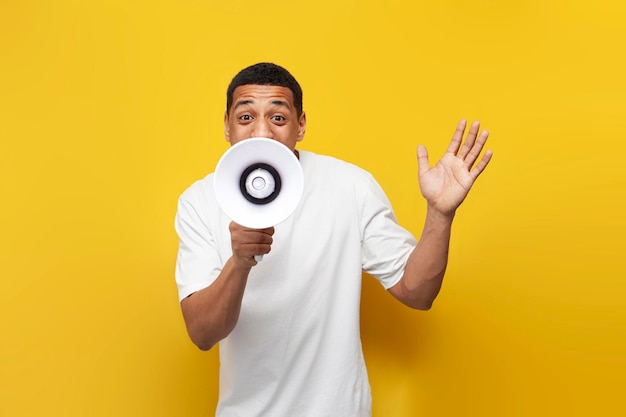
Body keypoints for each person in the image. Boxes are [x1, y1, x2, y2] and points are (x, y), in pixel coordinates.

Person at [174, 62, 492, 416]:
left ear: (301, 125)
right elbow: (202, 333)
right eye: (246, 117)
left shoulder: (350, 186)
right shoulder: (199, 201)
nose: (261, 132)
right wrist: (239, 262)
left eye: (278, 118)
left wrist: (440, 213)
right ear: (227, 126)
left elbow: (418, 293)